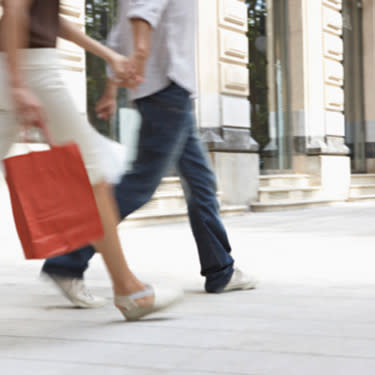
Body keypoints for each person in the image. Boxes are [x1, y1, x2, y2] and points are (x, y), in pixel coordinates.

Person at [41, 0, 257, 308]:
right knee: (140, 184)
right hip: (167, 88)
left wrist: (111, 90)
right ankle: (66, 261)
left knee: (201, 181)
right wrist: (141, 55)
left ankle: (220, 269)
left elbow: (118, 37)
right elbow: (143, 13)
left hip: (164, 90)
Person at [0, 0, 181, 320]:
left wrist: (108, 54)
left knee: (92, 172)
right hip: (29, 68)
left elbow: (49, 17)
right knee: (92, 172)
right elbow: (15, 8)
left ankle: (129, 290)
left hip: (26, 65)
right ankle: (129, 290)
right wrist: (18, 84)